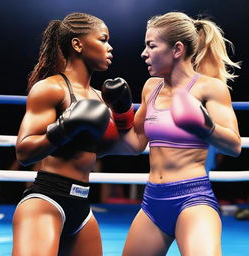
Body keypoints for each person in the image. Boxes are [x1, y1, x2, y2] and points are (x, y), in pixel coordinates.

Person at [105, 12, 241, 256]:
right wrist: (121, 113)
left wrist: (204, 126)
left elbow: (234, 146)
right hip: (152, 202)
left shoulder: (210, 88)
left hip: (193, 200)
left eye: (151, 45)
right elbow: (134, 144)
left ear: (177, 49)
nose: (143, 53)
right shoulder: (151, 88)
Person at [12, 12, 133, 256]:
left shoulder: (101, 98)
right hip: (47, 199)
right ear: (77, 44)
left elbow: (123, 148)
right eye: (103, 40)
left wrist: (123, 114)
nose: (110, 48)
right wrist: (64, 128)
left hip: (82, 206)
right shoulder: (51, 88)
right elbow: (24, 151)